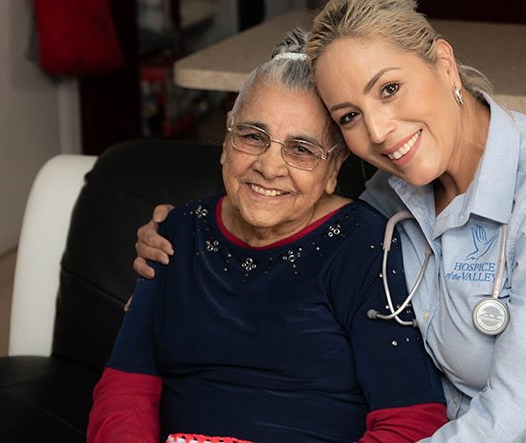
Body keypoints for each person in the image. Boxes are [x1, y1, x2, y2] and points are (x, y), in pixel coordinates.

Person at [134, 0, 526, 441]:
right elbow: (305, 244)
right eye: (350, 116)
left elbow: (522, 419)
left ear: (443, 63)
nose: (381, 131)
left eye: (389, 89)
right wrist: (194, 234)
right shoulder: (391, 195)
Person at [88, 27, 448, 443]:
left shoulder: (366, 247)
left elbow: (412, 422)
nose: (270, 167)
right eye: (254, 137)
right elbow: (125, 386)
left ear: (333, 169)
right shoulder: (176, 234)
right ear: (226, 138)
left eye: (301, 149)